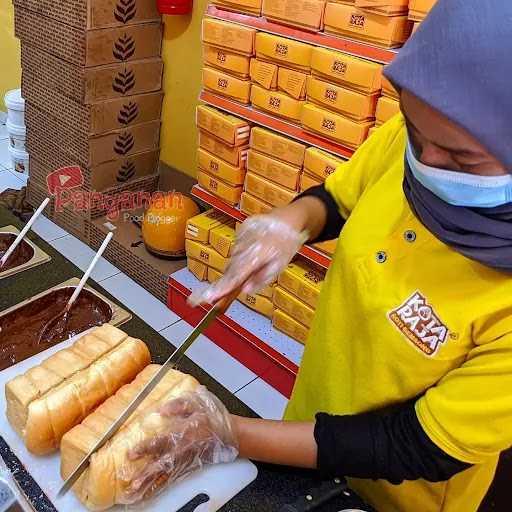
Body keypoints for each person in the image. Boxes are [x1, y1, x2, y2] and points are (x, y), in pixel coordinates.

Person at [128, 1, 512, 510]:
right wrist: (289, 224)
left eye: (462, 158)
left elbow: (415, 444)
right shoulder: (416, 138)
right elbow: (336, 199)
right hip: (308, 428)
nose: (428, 162)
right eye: (418, 137)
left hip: (394, 494)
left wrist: (228, 432)